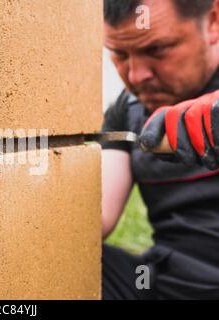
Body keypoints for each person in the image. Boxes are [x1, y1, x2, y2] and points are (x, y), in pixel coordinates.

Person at [102, 0, 219, 299]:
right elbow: (94, 217)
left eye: (157, 49)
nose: (137, 75)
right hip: (168, 285)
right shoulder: (127, 114)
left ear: (214, 22)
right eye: (120, 54)